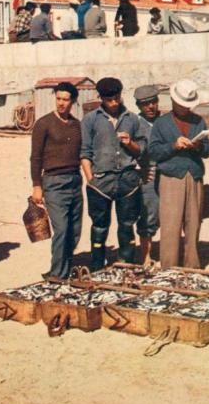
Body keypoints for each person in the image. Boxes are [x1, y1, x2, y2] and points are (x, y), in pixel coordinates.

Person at [80, 77, 147, 270]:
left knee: (127, 226)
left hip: (128, 180)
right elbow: (84, 152)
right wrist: (90, 179)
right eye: (109, 99)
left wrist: (130, 143)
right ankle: (97, 266)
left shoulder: (133, 119)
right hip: (100, 182)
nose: (114, 102)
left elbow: (141, 149)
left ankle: (126, 265)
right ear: (100, 98)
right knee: (100, 227)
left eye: (117, 98)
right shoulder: (90, 120)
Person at [148, 79, 209, 269]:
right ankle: (169, 267)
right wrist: (173, 146)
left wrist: (198, 145)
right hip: (170, 178)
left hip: (194, 175)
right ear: (174, 101)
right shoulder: (161, 123)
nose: (184, 108)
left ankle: (191, 266)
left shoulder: (198, 121)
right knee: (170, 225)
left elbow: (208, 151)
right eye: (181, 104)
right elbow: (153, 152)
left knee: (193, 224)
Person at [30, 82, 83, 279]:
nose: (61, 103)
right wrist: (37, 185)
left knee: (74, 230)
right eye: (58, 98)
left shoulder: (78, 125)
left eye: (66, 99)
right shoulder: (43, 123)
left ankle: (67, 269)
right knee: (61, 229)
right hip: (53, 182)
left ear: (73, 101)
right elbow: (35, 157)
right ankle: (56, 274)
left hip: (75, 181)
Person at [134, 85, 161, 267]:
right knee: (148, 215)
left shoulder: (166, 120)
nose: (150, 107)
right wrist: (139, 169)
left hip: (168, 173)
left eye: (153, 102)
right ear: (139, 106)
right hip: (148, 174)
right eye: (145, 104)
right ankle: (145, 255)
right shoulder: (134, 124)